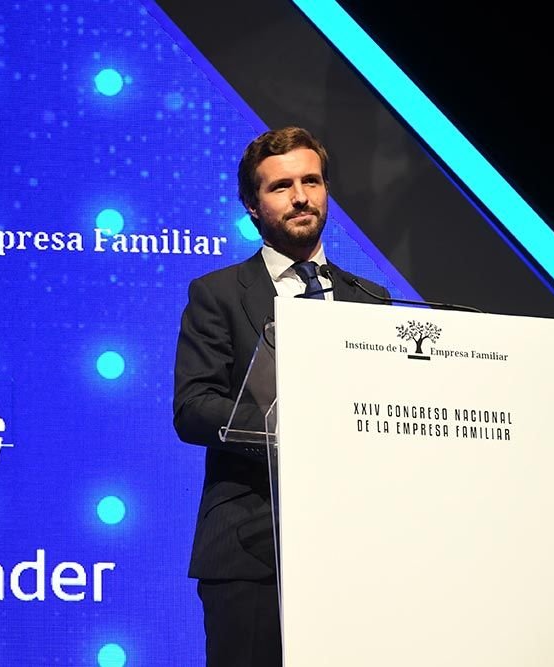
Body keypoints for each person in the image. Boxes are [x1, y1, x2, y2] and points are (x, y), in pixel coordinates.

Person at [173, 126, 390, 666]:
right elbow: (193, 407)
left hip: (357, 548)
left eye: (311, 181)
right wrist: (290, 427)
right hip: (250, 548)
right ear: (252, 205)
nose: (300, 197)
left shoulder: (372, 299)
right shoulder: (218, 294)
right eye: (280, 186)